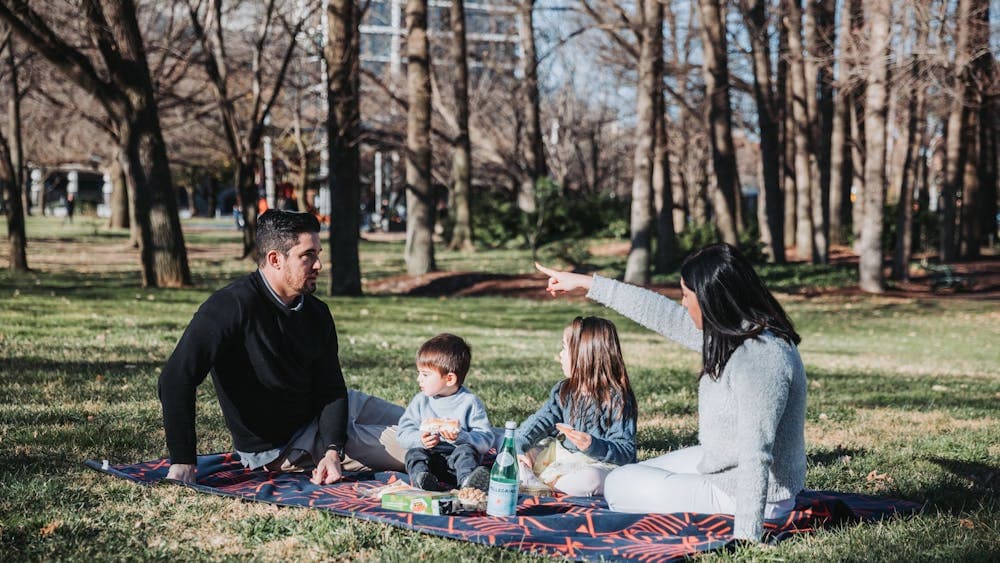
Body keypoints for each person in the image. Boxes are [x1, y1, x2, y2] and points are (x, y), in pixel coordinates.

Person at [535, 243, 806, 542]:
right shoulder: (736, 333)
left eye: (686, 296)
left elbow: (757, 452)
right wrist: (585, 283)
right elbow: (659, 312)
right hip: (724, 466)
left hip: (750, 497)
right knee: (628, 473)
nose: (682, 304)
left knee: (617, 486)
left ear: (710, 299)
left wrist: (747, 537)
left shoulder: (761, 358)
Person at [158, 209, 406, 486]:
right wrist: (183, 461)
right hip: (286, 445)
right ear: (275, 259)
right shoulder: (230, 306)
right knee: (420, 443)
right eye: (307, 255)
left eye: (318, 254)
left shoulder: (317, 312)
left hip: (332, 412)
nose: (318, 265)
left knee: (430, 421)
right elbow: (175, 378)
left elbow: (332, 389)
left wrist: (332, 450)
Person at [515, 316, 637, 497]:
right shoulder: (565, 391)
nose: (560, 355)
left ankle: (533, 482)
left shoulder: (617, 400)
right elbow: (541, 421)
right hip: (560, 457)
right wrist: (518, 443)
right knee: (517, 448)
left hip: (597, 464)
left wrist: (593, 445)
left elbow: (626, 451)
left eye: (565, 348)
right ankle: (531, 479)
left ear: (584, 355)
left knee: (591, 480)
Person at [396, 334, 494, 491]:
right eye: (419, 373)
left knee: (465, 452)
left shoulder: (469, 402)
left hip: (458, 464)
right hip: (431, 462)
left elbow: (486, 440)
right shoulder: (420, 401)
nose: (419, 379)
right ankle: (422, 480)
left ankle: (468, 483)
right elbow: (402, 434)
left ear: (449, 379)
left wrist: (461, 437)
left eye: (425, 374)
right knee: (414, 454)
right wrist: (421, 439)